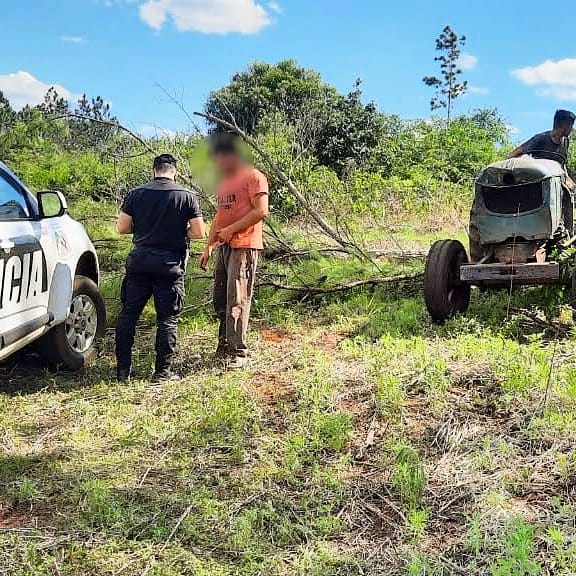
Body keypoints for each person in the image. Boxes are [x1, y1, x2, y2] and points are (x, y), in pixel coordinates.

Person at [115, 154, 205, 382]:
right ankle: (162, 373)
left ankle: (123, 371)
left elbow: (122, 228)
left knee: (128, 316)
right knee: (167, 320)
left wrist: (143, 227)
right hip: (169, 267)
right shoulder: (187, 196)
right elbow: (198, 232)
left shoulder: (136, 194)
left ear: (154, 171)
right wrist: (177, 231)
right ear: (174, 172)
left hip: (140, 263)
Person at [200, 134, 269, 370]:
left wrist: (232, 230)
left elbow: (261, 211)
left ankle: (238, 351)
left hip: (245, 245)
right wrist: (209, 245)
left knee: (237, 298)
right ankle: (224, 345)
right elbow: (220, 216)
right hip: (224, 246)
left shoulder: (254, 177)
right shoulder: (225, 182)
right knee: (221, 297)